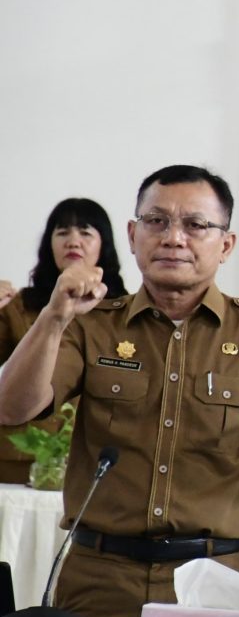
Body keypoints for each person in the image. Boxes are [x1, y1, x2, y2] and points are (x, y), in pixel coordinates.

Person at [0, 165, 239, 617]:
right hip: (97, 580)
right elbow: (12, 408)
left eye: (195, 225)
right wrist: (53, 317)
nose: (174, 237)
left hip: (211, 585)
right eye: (156, 222)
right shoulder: (90, 325)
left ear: (226, 245)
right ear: (132, 236)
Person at [0, 198, 127, 483]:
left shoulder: (125, 310)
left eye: (85, 232)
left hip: (100, 465)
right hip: (19, 464)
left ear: (103, 244)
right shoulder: (18, 306)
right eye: (62, 232)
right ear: (49, 244)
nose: (73, 241)